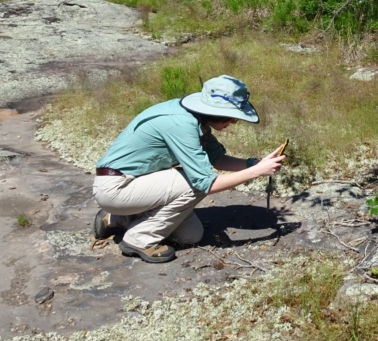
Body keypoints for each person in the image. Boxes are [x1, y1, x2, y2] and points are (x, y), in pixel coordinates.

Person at [91, 74, 284, 263]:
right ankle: (139, 240)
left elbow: (216, 158)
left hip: (134, 185)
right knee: (194, 184)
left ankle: (117, 219)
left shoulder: (198, 119)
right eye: (231, 118)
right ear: (215, 111)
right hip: (116, 187)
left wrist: (253, 164)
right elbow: (207, 184)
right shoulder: (181, 123)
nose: (232, 123)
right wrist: (256, 172)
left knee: (191, 236)